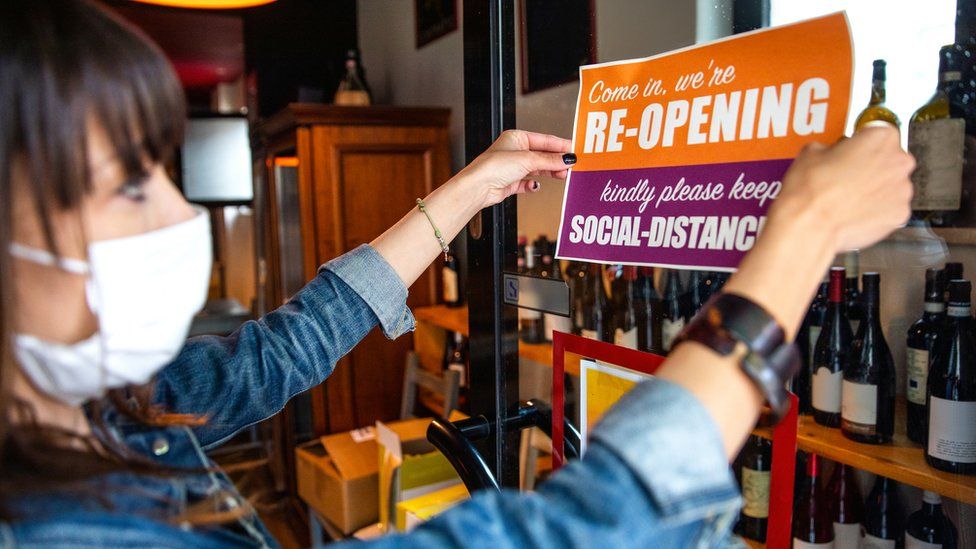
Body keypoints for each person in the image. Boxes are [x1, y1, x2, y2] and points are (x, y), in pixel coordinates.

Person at [0, 1, 914, 548]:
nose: (178, 214)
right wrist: (804, 230)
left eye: (163, 168)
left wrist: (469, 191)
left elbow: (289, 343)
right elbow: (575, 529)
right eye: (126, 183)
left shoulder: (113, 411)